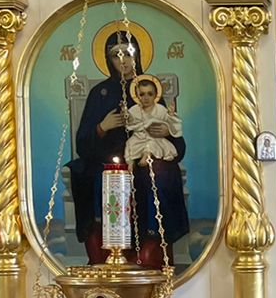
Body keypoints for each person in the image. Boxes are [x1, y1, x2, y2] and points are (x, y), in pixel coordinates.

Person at [67, 30, 190, 267]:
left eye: (128, 54)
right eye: (116, 55)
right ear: (108, 59)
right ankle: (105, 254)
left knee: (159, 174)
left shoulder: (149, 89)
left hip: (145, 159)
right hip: (106, 161)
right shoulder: (99, 93)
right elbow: (82, 143)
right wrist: (102, 127)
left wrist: (166, 132)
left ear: (137, 56)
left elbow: (177, 144)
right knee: (89, 176)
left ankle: (153, 246)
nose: (123, 61)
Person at [124, 76, 182, 163]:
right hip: (138, 137)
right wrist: (126, 114)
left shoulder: (160, 109)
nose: (146, 98)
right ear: (137, 95)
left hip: (155, 139)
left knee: (151, 144)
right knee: (129, 144)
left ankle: (146, 156)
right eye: (142, 94)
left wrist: (171, 115)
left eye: (150, 94)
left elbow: (170, 122)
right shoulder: (134, 109)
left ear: (155, 95)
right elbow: (130, 122)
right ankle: (130, 164)